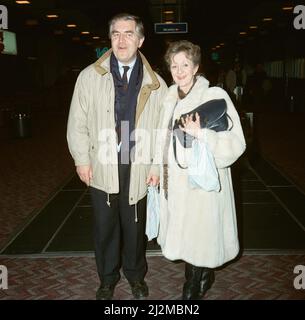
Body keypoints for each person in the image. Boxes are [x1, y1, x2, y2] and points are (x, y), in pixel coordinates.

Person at [67, 13, 167, 300]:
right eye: (116, 34)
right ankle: (107, 279)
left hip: (138, 163)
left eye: (128, 33)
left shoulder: (156, 83)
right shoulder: (89, 77)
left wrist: (156, 165)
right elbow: (77, 122)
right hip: (103, 163)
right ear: (109, 38)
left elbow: (162, 129)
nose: (122, 40)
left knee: (134, 227)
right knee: (105, 226)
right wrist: (81, 159)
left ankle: (136, 277)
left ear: (141, 40)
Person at [148, 40, 246, 300]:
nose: (179, 71)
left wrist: (202, 134)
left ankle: (193, 282)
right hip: (175, 182)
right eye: (174, 66)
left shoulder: (214, 96)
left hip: (202, 184)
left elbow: (236, 144)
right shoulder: (168, 100)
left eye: (185, 65)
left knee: (199, 233)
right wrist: (157, 169)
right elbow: (162, 139)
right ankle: (201, 274)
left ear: (196, 67)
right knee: (185, 232)